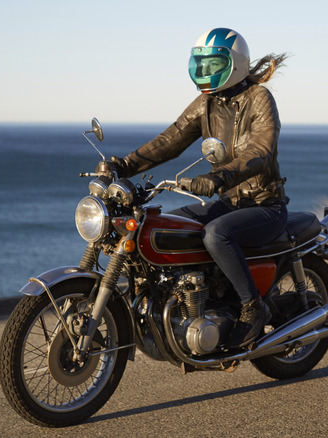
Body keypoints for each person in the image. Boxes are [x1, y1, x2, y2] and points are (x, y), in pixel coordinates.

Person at [107, 28, 289, 348]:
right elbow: (170, 140)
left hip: (264, 205)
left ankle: (252, 307)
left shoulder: (259, 98)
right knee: (169, 227)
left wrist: (221, 177)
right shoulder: (206, 102)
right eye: (200, 65)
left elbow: (260, 150)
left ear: (235, 64)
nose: (204, 72)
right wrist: (124, 165)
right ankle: (187, 302)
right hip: (228, 202)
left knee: (216, 234)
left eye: (213, 64)